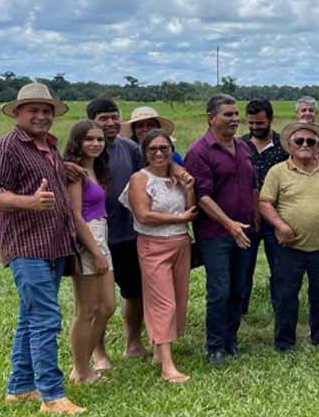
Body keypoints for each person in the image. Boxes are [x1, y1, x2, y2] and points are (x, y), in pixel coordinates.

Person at [0, 83, 83, 414]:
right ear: (17, 113)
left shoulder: (47, 146)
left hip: (53, 244)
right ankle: (52, 395)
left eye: (46, 110)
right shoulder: (7, 147)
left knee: (29, 317)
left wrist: (64, 170)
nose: (41, 115)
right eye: (33, 109)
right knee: (46, 318)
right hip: (26, 246)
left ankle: (19, 387)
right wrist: (29, 202)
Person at [260, 122, 319, 351]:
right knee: (286, 295)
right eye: (299, 141)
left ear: (318, 145)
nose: (305, 145)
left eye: (310, 141)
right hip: (289, 247)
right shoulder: (278, 172)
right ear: (290, 145)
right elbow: (265, 203)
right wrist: (280, 225)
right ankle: (284, 342)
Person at [184, 94, 258, 367]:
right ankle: (214, 346)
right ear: (210, 117)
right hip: (216, 234)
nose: (235, 119)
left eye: (236, 114)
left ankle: (231, 339)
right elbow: (202, 196)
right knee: (220, 291)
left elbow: (252, 187)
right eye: (228, 114)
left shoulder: (243, 147)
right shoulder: (199, 152)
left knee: (240, 288)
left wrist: (254, 221)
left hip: (246, 230)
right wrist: (230, 225)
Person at [120, 131, 197, 383]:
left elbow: (190, 209)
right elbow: (143, 215)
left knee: (178, 298)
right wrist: (180, 219)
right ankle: (167, 367)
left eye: (164, 148)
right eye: (152, 149)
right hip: (153, 245)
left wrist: (188, 189)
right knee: (164, 303)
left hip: (181, 242)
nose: (159, 153)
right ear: (144, 153)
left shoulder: (176, 177)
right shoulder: (140, 179)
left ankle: (159, 350)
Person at [86, 98, 146, 359]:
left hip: (130, 234)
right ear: (92, 122)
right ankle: (99, 353)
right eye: (103, 119)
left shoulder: (131, 148)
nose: (110, 123)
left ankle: (133, 343)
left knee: (134, 293)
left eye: (114, 117)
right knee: (98, 301)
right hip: (97, 237)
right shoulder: (84, 152)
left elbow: (144, 180)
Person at [63, 121, 116, 385]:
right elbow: (75, 215)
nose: (95, 144)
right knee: (86, 309)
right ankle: (80, 370)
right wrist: (95, 252)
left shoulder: (96, 169)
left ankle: (84, 363)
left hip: (101, 236)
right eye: (89, 140)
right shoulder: (76, 173)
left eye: (100, 140)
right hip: (87, 240)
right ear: (77, 142)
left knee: (107, 306)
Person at [240, 98, 289, 316]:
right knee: (243, 267)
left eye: (260, 123)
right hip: (246, 217)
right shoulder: (240, 145)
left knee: (280, 268)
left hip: (276, 216)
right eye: (251, 123)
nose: (255, 128)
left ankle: (281, 308)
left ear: (270, 119)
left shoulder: (284, 146)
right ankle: (240, 311)